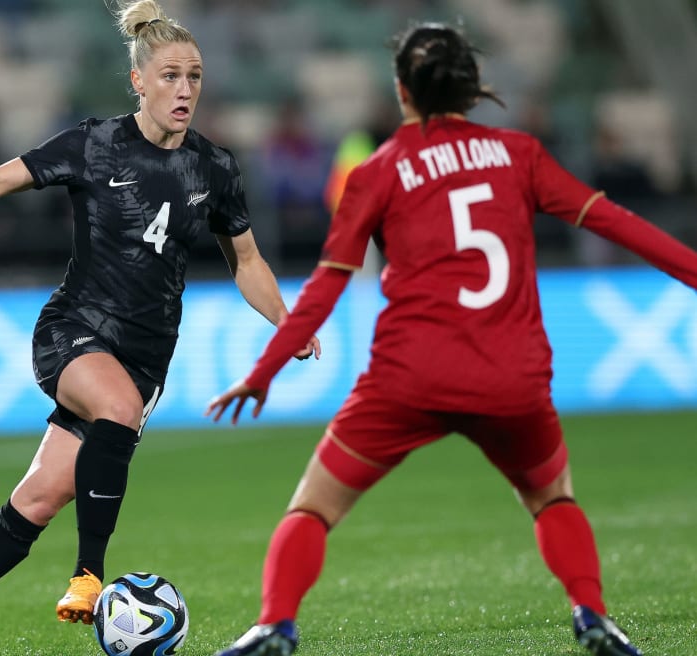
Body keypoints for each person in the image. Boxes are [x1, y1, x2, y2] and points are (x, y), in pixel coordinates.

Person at [206, 22, 697, 656]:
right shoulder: (521, 154)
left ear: (402, 90)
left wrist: (265, 368)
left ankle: (275, 623)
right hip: (512, 378)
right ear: (473, 88)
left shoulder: (377, 171)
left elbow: (329, 285)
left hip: (410, 378)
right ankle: (592, 614)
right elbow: (616, 222)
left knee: (313, 507)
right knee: (552, 498)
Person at [0, 2, 319, 655]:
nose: (185, 90)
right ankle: (89, 577)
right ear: (139, 81)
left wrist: (289, 323)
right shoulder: (93, 144)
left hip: (146, 358)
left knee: (37, 501)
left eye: (195, 77)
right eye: (170, 76)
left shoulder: (214, 169)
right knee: (115, 409)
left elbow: (247, 260)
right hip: (74, 332)